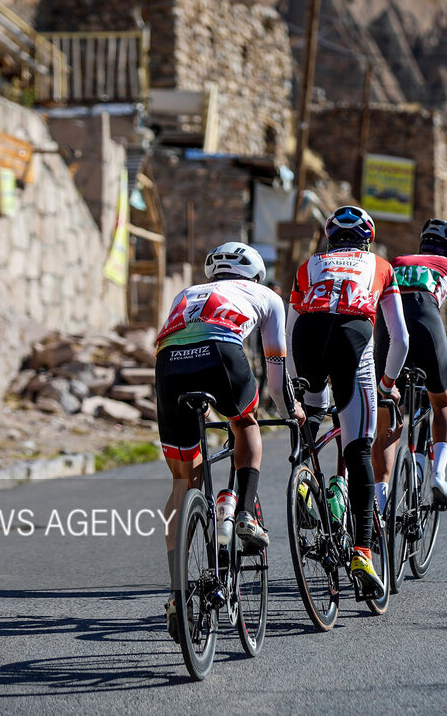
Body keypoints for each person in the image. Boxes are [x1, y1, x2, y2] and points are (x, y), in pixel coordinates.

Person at [155, 242, 304, 639]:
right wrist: (293, 411)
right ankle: (242, 514)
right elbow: (276, 378)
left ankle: (176, 592)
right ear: (255, 275)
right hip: (221, 350)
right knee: (245, 424)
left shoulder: (185, 294)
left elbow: (175, 337)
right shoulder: (268, 297)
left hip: (169, 364)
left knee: (182, 483)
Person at [286, 205, 409, 599]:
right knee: (359, 449)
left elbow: (289, 333)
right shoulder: (381, 266)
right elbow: (400, 339)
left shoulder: (308, 266)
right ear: (367, 238)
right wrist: (388, 383)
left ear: (329, 238)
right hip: (352, 336)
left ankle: (307, 482)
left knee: (315, 412)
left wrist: (294, 383)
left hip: (307, 336)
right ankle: (362, 552)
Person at [372, 218, 447, 514]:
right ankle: (438, 475)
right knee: (443, 404)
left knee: (387, 416)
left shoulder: (396, 261)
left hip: (388, 328)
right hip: (426, 319)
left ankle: (381, 499)